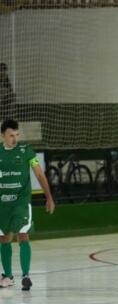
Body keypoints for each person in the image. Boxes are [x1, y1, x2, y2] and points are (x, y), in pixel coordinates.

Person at [0, 119, 55, 291]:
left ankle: (26, 276)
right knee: (4, 238)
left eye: (17, 135)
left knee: (22, 234)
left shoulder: (26, 151)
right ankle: (8, 277)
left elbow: (39, 174)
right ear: (2, 136)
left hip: (21, 202)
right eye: (11, 136)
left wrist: (49, 197)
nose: (14, 139)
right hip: (3, 203)